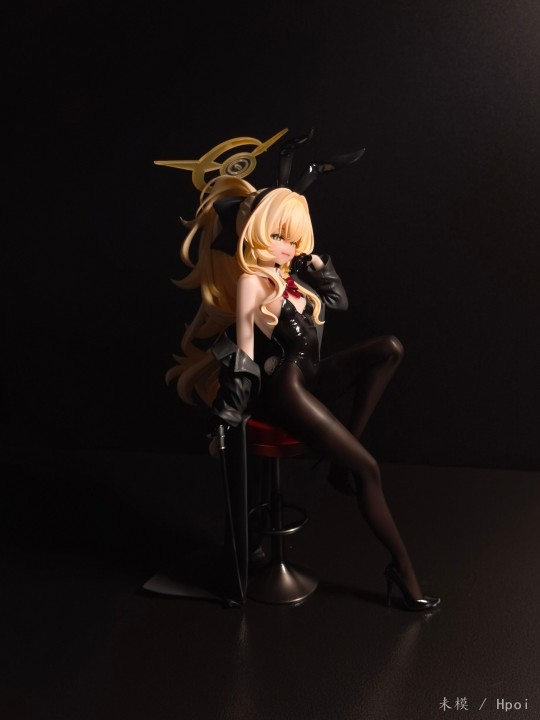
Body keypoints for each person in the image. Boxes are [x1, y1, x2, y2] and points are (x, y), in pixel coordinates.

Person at [161, 130, 440, 611]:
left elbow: (338, 301)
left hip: (310, 377)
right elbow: (243, 348)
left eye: (293, 239)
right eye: (277, 236)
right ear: (254, 232)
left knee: (388, 348)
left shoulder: (291, 276)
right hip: (284, 388)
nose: (286, 247)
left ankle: (338, 463)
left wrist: (311, 263)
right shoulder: (252, 281)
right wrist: (229, 411)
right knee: (368, 469)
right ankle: (403, 574)